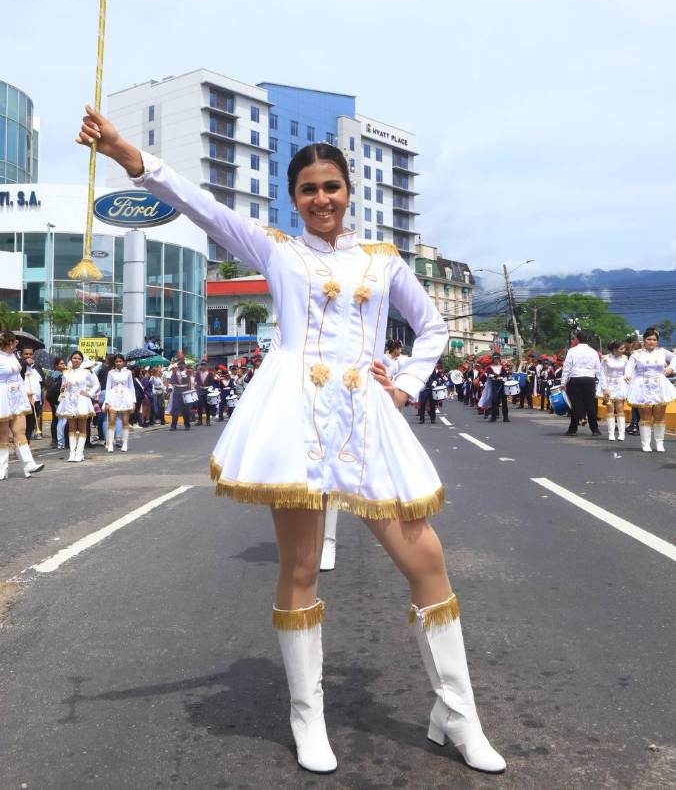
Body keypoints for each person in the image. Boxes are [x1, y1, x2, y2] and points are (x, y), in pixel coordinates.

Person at [76, 109, 506, 776]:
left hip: (366, 422)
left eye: (331, 186)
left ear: (348, 191)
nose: (321, 199)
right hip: (295, 421)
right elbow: (203, 206)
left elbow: (433, 331)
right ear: (293, 197)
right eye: (308, 189)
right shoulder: (276, 249)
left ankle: (457, 713)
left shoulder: (383, 261)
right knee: (300, 567)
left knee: (427, 559)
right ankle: (308, 716)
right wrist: (128, 154)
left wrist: (403, 384)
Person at [0, 331, 45, 478]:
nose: (16, 345)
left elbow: (19, 378)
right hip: (2, 396)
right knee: (3, 435)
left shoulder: (14, 356)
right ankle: (2, 469)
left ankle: (29, 464)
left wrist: (26, 394)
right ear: (10, 343)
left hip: (17, 396)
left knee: (20, 431)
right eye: (15, 342)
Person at [625, 327, 675, 453]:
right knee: (645, 416)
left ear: (657, 341)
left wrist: (671, 368)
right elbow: (629, 368)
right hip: (643, 386)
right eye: (649, 339)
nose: (651, 342)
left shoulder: (662, 352)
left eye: (654, 339)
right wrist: (628, 376)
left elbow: (675, 358)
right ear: (644, 340)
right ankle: (646, 443)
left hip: (659, 385)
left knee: (659, 416)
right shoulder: (637, 354)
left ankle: (659, 443)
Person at [55, 351, 100, 462]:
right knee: (71, 427)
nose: (76, 360)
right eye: (74, 358)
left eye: (79, 358)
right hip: (69, 401)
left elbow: (96, 384)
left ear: (82, 361)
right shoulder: (66, 373)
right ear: (71, 359)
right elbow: (62, 389)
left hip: (82, 401)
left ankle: (79, 453)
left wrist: (89, 393)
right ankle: (72, 453)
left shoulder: (86, 372)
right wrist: (63, 388)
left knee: (82, 426)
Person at [560, 331, 602, 436]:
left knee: (575, 404)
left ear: (577, 339)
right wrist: (600, 382)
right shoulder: (593, 352)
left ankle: (573, 428)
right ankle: (595, 429)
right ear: (587, 340)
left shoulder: (572, 351)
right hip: (589, 379)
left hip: (575, 379)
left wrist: (563, 382)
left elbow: (567, 368)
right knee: (590, 404)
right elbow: (598, 368)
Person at [104, 354, 135, 452]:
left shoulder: (128, 372)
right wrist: (107, 401)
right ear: (114, 363)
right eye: (117, 361)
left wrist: (133, 401)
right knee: (112, 420)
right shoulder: (111, 373)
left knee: (125, 421)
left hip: (125, 397)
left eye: (120, 361)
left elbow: (131, 387)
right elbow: (108, 387)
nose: (118, 363)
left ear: (124, 362)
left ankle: (124, 443)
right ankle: (110, 444)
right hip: (114, 396)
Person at [598, 341, 628, 441]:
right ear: (614, 349)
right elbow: (602, 373)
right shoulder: (605, 358)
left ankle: (621, 433)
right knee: (610, 409)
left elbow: (627, 372)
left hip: (620, 385)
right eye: (621, 349)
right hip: (608, 385)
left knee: (620, 409)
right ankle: (611, 433)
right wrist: (605, 388)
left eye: (624, 349)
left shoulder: (625, 359)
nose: (623, 351)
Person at [20, 346, 44, 442]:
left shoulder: (37, 366)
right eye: (26, 354)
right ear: (22, 355)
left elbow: (42, 382)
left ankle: (27, 444)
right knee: (22, 426)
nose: (28, 356)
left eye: (30, 354)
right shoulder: (19, 365)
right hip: (22, 400)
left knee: (30, 425)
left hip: (35, 400)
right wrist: (25, 364)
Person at [45, 357, 68, 449]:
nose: (63, 365)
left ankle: (56, 439)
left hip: (53, 398)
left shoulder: (53, 374)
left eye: (63, 363)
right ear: (56, 366)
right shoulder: (58, 375)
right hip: (55, 399)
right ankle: (55, 439)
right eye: (61, 364)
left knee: (56, 418)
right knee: (57, 419)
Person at [168, 359, 193, 430]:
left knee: (186, 410)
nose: (180, 366)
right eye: (179, 364)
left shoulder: (187, 372)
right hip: (177, 392)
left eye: (182, 364)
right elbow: (172, 381)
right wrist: (170, 388)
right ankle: (173, 426)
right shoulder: (175, 372)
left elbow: (189, 382)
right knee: (175, 410)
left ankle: (187, 425)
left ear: (184, 365)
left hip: (185, 392)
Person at [485, 354, 511, 423]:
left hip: (502, 385)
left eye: (497, 359)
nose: (496, 360)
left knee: (504, 402)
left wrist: (503, 378)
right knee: (494, 401)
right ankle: (493, 417)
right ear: (493, 360)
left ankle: (506, 418)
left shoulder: (502, 367)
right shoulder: (490, 368)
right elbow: (488, 375)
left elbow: (506, 375)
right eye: (495, 359)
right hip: (495, 385)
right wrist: (494, 376)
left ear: (499, 359)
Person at [195, 360, 217, 426]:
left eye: (204, 365)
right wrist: (197, 387)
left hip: (207, 390)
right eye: (202, 365)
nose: (203, 366)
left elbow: (212, 382)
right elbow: (196, 381)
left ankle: (208, 420)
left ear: (206, 366)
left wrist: (210, 388)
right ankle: (200, 420)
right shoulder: (198, 373)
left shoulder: (210, 374)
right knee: (199, 406)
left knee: (207, 406)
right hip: (200, 390)